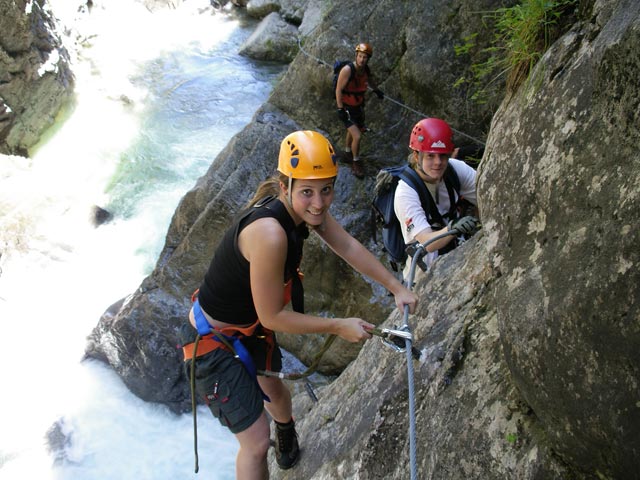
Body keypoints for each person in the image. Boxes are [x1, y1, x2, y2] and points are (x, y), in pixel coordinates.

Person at [180, 130, 418, 480]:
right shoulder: (270, 233)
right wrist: (338, 325)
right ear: (284, 186)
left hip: (248, 326)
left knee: (276, 393)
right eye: (307, 191)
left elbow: (347, 246)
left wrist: (396, 286)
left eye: (326, 189)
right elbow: (273, 316)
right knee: (257, 444)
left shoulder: (301, 212)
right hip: (211, 342)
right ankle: (275, 439)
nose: (319, 203)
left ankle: (287, 430)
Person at [393, 118, 479, 282]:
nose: (438, 163)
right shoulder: (405, 192)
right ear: (417, 155)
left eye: (442, 156)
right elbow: (427, 242)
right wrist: (453, 228)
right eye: (430, 156)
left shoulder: (455, 169)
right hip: (424, 271)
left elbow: (485, 194)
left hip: (458, 251)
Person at [335, 42, 384, 179]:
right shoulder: (347, 70)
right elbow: (338, 89)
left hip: (357, 107)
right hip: (346, 108)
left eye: (365, 57)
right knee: (357, 135)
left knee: (352, 132)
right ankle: (355, 161)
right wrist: (340, 109)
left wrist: (376, 90)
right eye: (360, 56)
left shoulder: (365, 70)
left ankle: (347, 152)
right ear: (356, 56)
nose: (362, 60)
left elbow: (370, 81)